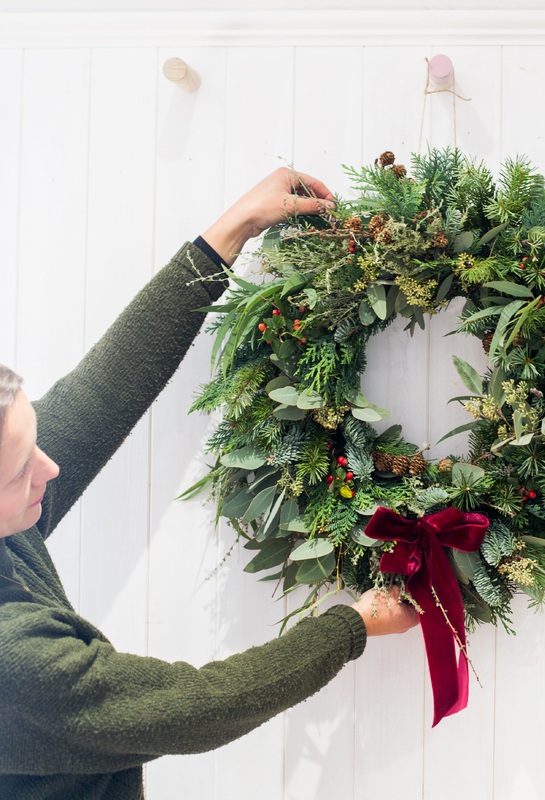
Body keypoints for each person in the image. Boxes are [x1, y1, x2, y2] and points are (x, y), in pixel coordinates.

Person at [0, 168, 418, 799]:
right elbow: (193, 707)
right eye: (21, 469)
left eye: (35, 443)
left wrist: (229, 232)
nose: (50, 468)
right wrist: (352, 625)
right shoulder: (15, 662)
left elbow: (100, 394)